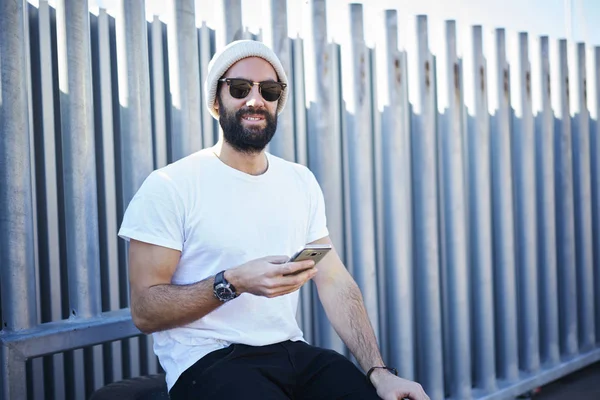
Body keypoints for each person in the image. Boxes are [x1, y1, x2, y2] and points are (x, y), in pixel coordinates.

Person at [118, 40, 429, 400]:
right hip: (209, 360)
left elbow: (333, 280)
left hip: (290, 352)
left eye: (268, 90)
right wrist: (233, 282)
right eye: (239, 88)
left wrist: (379, 372)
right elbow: (145, 310)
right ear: (216, 102)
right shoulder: (170, 186)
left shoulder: (300, 182)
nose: (255, 100)